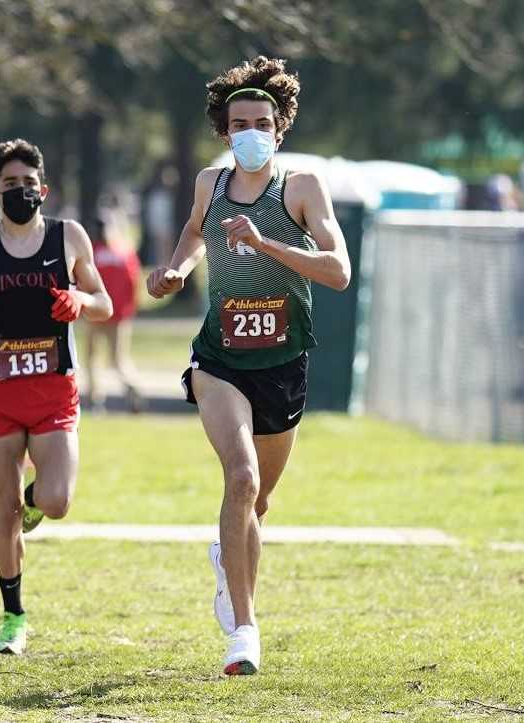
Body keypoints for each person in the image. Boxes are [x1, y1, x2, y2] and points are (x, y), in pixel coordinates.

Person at [146, 56, 351, 675]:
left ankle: (227, 557)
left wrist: (266, 244)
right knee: (241, 480)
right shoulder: (209, 183)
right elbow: (194, 232)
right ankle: (245, 632)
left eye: (262, 122)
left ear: (280, 128)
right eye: (240, 124)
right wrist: (176, 269)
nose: (251, 132)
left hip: (284, 363)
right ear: (224, 131)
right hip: (220, 361)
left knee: (256, 506)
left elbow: (339, 271)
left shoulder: (302, 187)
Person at [0, 139, 112, 655]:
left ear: (43, 189)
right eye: (10, 184)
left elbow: (104, 302)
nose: (20, 192)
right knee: (3, 511)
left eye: (28, 184)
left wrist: (79, 299)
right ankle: (13, 618)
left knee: (56, 501)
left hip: (54, 389)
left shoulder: (68, 236)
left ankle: (34, 503)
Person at [84, 216, 143, 412]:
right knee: (119, 360)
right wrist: (131, 308)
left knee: (92, 358)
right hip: (119, 315)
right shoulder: (124, 252)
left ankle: (95, 400)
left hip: (95, 311)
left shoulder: (91, 252)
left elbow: (83, 280)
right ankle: (133, 390)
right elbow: (134, 282)